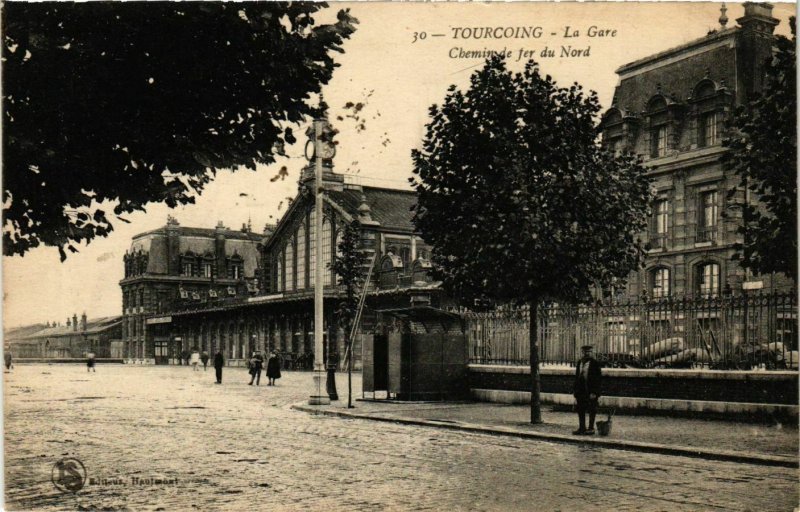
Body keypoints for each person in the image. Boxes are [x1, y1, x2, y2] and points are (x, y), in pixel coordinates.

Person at [573, 345, 602, 435]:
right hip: (581, 391)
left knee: (592, 409)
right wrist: (575, 391)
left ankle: (591, 428)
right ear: (582, 352)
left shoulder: (595, 363)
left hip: (590, 390)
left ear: (591, 353)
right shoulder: (579, 363)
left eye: (589, 352)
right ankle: (582, 427)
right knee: (580, 409)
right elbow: (577, 377)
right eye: (585, 352)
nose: (587, 353)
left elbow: (598, 379)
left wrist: (595, 392)